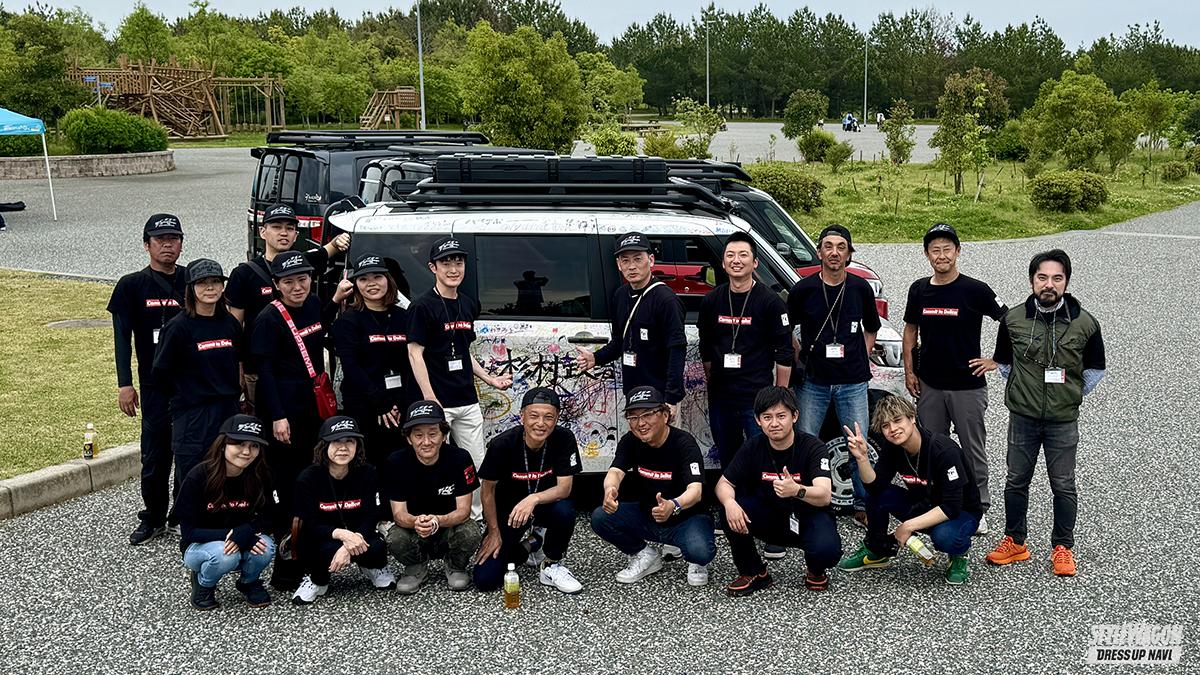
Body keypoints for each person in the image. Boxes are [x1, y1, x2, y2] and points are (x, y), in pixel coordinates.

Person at [985, 249, 1106, 577]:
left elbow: (1095, 368)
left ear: (1066, 282)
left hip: (1062, 419)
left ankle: (1063, 547)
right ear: (1032, 281)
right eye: (1042, 277)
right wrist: (1024, 390)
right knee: (1016, 480)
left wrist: (1070, 395)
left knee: (1063, 484)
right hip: (1022, 417)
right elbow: (1003, 363)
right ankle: (1015, 541)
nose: (1049, 284)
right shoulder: (1013, 320)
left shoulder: (1085, 323)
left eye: (1056, 278)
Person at [250, 249, 349, 590]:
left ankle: (313, 543)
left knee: (312, 473)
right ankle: (288, 557)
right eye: (289, 282)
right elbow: (264, 372)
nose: (297, 287)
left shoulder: (313, 304)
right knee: (289, 482)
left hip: (313, 408)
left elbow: (319, 327)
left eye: (303, 279)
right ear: (276, 285)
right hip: (284, 410)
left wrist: (335, 300)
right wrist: (278, 416)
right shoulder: (268, 319)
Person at [902, 223, 1007, 535]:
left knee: (973, 450)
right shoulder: (919, 289)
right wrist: (909, 371)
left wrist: (996, 360)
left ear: (958, 251)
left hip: (967, 387)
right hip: (930, 385)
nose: (942, 255)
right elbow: (910, 330)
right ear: (926, 254)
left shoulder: (976, 290)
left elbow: (1009, 319)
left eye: (947, 249)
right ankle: (937, 504)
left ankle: (978, 507)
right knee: (932, 448)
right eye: (935, 250)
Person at [407, 236, 512, 521]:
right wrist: (430, 398)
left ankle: (474, 519)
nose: (453, 269)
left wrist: (490, 379)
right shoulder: (422, 306)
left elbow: (463, 351)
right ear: (433, 267)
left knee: (475, 463)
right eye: (446, 263)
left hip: (466, 398)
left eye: (458, 262)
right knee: (433, 463)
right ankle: (435, 519)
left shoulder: (468, 303)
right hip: (437, 401)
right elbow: (415, 353)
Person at [787, 224, 880, 526]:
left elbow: (872, 327)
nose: (835, 253)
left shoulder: (860, 288)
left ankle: (863, 505)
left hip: (853, 382)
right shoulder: (803, 289)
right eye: (828, 246)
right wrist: (799, 353)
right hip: (813, 381)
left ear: (849, 254)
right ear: (819, 252)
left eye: (841, 247)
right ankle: (804, 502)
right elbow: (787, 328)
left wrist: (861, 355)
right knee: (804, 442)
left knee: (858, 445)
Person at [837, 396, 982, 585]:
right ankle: (877, 551)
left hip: (960, 512)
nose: (893, 429)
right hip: (924, 503)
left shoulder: (944, 450)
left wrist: (907, 526)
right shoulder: (893, 447)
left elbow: (952, 507)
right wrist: (862, 458)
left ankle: (959, 554)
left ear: (912, 417)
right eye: (885, 426)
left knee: (944, 537)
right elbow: (874, 487)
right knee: (877, 496)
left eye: (897, 420)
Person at [107, 213, 188, 545]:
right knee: (155, 456)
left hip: (191, 384)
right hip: (154, 385)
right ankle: (153, 517)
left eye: (174, 239)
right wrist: (124, 383)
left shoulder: (193, 280)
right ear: (147, 245)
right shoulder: (131, 285)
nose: (168, 245)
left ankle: (181, 515)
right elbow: (121, 338)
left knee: (189, 453)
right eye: (160, 240)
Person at [225, 203, 349, 411]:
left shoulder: (303, 263)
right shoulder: (244, 274)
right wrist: (237, 369)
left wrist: (340, 240)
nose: (283, 233)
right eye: (276, 227)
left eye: (289, 228)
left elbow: (328, 250)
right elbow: (234, 328)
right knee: (265, 419)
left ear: (296, 234)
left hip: (301, 370)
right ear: (262, 232)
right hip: (259, 368)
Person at [717, 387, 840, 596]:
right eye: (767, 417)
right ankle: (754, 572)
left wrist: (797, 490)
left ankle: (815, 569)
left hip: (808, 515)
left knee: (827, 551)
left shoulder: (813, 447)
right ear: (758, 420)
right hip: (771, 515)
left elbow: (824, 495)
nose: (774, 423)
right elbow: (723, 483)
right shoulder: (753, 446)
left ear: (795, 416)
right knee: (728, 509)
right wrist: (730, 503)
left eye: (781, 416)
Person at [590, 386, 715, 587]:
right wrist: (610, 490)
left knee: (700, 552)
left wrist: (673, 505)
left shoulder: (684, 443)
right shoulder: (630, 441)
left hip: (685, 517)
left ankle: (695, 561)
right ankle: (645, 555)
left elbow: (695, 490)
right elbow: (615, 472)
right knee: (601, 517)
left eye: (647, 415)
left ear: (665, 415)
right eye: (633, 417)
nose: (640, 423)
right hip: (648, 514)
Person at [473, 387, 583, 595]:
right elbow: (487, 491)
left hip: (545, 505)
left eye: (548, 417)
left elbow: (564, 488)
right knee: (485, 580)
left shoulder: (564, 438)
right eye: (534, 416)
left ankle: (551, 564)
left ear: (557, 418)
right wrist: (494, 531)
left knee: (565, 510)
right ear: (522, 416)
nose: (541, 423)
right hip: (511, 512)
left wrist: (533, 498)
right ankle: (533, 542)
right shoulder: (502, 444)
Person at [153, 259, 243, 496]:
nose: (210, 288)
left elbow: (241, 361)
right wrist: (185, 395)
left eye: (215, 282)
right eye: (202, 283)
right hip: (193, 415)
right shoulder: (178, 327)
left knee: (227, 474)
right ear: (191, 288)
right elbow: (160, 373)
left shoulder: (230, 324)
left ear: (223, 287)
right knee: (192, 478)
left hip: (228, 411)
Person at [576, 232, 687, 417]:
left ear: (651, 260)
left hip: (659, 396)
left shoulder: (666, 300)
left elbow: (677, 350)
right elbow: (619, 341)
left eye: (638, 259)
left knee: (661, 437)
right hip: (633, 393)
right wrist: (596, 358)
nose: (632, 266)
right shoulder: (620, 295)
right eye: (625, 260)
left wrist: (671, 398)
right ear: (619, 265)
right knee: (638, 435)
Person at [291, 416, 396, 605]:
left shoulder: (368, 473)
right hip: (324, 537)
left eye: (350, 441)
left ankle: (373, 567)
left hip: (359, 535)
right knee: (322, 549)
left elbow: (372, 515)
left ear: (358, 446)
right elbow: (311, 523)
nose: (343, 447)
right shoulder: (308, 479)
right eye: (336, 441)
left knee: (377, 545)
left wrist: (351, 542)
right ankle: (316, 579)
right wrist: (343, 536)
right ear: (324, 446)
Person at [176, 414, 275, 610]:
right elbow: (188, 532)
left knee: (266, 548)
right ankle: (204, 583)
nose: (246, 451)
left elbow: (272, 517)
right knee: (225, 555)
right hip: (200, 546)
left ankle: (248, 582)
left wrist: (247, 531)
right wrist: (231, 534)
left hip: (241, 538)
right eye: (239, 443)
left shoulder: (261, 474)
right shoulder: (198, 476)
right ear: (223, 445)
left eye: (254, 445)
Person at [383, 401, 482, 594]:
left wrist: (437, 520)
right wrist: (416, 522)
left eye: (433, 433)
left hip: (449, 528)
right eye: (418, 435)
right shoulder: (396, 462)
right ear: (409, 438)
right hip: (415, 530)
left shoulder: (460, 458)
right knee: (394, 537)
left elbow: (464, 511)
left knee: (471, 531)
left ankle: (455, 565)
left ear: (444, 435)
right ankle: (415, 567)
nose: (426, 442)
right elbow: (398, 514)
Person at [332, 253, 413, 469]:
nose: (371, 284)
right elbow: (351, 368)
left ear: (388, 279)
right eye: (363, 279)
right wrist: (380, 403)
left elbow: (411, 363)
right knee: (369, 464)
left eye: (377, 277)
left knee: (400, 465)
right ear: (356, 285)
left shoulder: (404, 317)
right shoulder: (348, 321)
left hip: (399, 405)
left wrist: (399, 403)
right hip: (365, 405)